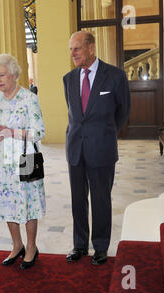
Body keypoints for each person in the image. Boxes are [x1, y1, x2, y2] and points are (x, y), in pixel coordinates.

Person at [63, 31, 131, 265]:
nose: (72, 53)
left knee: (101, 199)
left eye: (77, 48)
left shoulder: (115, 76)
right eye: (71, 49)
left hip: (101, 148)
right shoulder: (68, 79)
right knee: (77, 199)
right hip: (75, 149)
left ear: (91, 48)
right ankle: (79, 245)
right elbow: (74, 115)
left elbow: (122, 113)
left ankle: (100, 246)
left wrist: (104, 133)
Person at [0, 54, 46, 270]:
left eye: (2, 75)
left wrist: (12, 132)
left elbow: (39, 132)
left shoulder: (29, 98)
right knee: (8, 203)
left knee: (28, 204)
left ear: (14, 74)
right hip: (2, 161)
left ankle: (31, 247)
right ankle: (17, 245)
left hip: (26, 157)